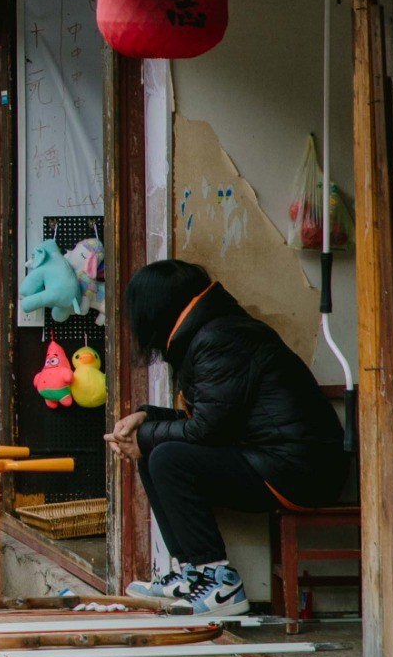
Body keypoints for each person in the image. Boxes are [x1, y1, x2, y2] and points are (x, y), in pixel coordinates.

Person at [111, 258, 352, 616]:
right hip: (280, 460)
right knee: (153, 451)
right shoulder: (211, 332)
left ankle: (219, 581)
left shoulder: (218, 338)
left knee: (163, 455)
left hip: (301, 470)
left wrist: (147, 434)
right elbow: (215, 418)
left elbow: (207, 430)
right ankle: (192, 574)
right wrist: (146, 418)